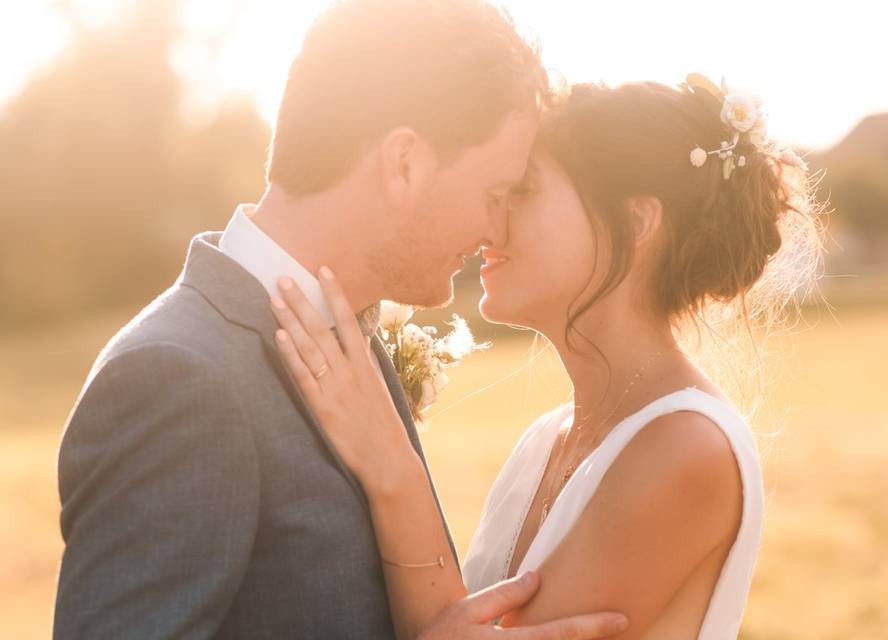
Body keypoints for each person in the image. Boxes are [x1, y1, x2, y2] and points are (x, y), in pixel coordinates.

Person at [53, 1, 627, 638]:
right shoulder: (176, 377)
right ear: (403, 163)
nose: (495, 229)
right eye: (494, 194)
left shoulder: (352, 337)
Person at [269, 78, 822, 639]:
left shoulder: (686, 449)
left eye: (522, 191)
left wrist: (393, 469)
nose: (489, 226)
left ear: (636, 224)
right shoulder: (546, 439)